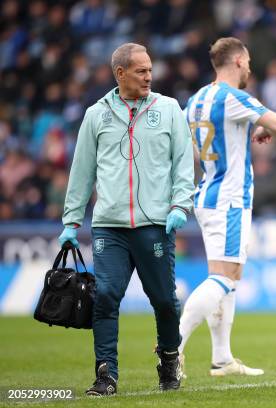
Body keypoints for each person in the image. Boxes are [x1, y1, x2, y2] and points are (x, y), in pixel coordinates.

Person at [59, 43, 194, 395]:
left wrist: (181, 205)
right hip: (109, 226)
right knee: (104, 297)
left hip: (155, 224)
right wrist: (71, 221)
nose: (149, 75)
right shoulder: (95, 114)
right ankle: (106, 375)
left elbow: (183, 162)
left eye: (150, 69)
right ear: (120, 74)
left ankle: (168, 359)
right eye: (140, 70)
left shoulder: (168, 109)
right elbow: (82, 171)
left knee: (165, 301)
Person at [178, 37, 276, 378]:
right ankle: (173, 345)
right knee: (225, 278)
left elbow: (188, 144)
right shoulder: (234, 98)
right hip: (230, 199)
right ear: (238, 61)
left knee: (226, 277)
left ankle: (222, 358)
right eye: (249, 61)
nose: (251, 68)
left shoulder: (196, 101)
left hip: (207, 193)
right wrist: (260, 125)